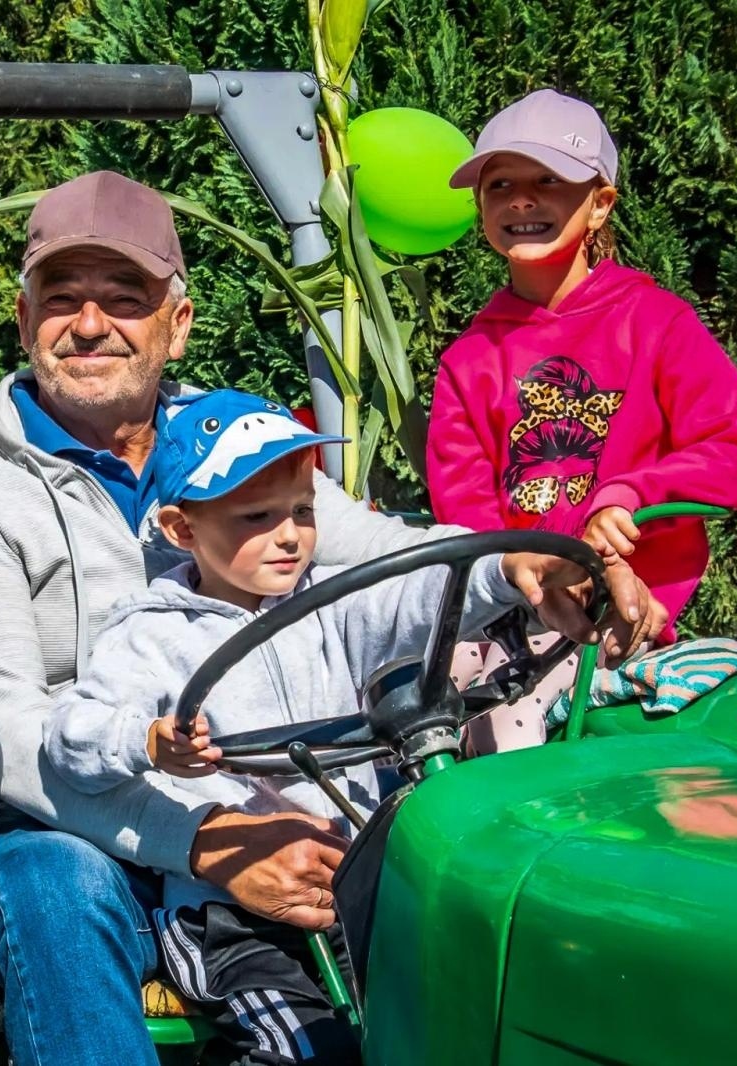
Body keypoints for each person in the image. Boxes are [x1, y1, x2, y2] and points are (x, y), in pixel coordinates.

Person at [0, 169, 665, 1065]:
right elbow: (0, 729)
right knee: (49, 882)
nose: (92, 324)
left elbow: (382, 562)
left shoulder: (238, 451)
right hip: (82, 807)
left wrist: (519, 565)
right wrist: (206, 839)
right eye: (62, 298)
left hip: (270, 791)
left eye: (126, 298)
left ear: (178, 323)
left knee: (459, 857)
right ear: (25, 319)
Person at [43, 388, 561, 1063]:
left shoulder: (328, 605)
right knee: (306, 1049)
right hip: (228, 916)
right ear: (182, 530)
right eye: (257, 516)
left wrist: (507, 570)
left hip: (352, 890)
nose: (289, 535)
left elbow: (421, 598)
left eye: (302, 511)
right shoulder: (150, 635)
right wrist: (145, 742)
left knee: (439, 1022)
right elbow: (72, 733)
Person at [427, 88, 737, 645]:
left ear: (600, 204)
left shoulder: (658, 322)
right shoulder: (466, 360)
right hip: (516, 625)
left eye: (549, 180)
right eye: (500, 185)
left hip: (641, 619)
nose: (522, 201)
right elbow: (465, 511)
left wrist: (632, 495)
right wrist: (526, 577)